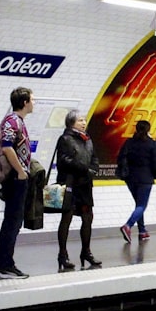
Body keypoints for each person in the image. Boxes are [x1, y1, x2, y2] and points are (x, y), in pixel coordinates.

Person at [54, 109, 101, 270]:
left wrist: (93, 170)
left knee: (88, 218)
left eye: (85, 120)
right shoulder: (65, 139)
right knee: (66, 219)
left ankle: (86, 252)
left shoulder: (87, 139)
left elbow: (94, 157)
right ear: (71, 122)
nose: (84, 123)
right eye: (80, 120)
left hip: (85, 185)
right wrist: (83, 168)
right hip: (70, 185)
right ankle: (62, 254)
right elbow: (63, 160)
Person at [0, 87, 34, 279]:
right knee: (12, 221)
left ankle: (6, 263)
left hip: (19, 177)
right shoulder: (12, 121)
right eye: (32, 100)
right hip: (15, 178)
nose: (34, 103)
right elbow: (7, 148)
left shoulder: (18, 121)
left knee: (14, 222)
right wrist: (20, 171)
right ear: (25, 102)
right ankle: (4, 265)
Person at [118, 120, 156, 243]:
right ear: (148, 129)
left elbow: (121, 157)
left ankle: (142, 231)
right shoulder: (151, 144)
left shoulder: (129, 142)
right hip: (145, 178)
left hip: (130, 178)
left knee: (138, 205)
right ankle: (128, 226)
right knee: (142, 205)